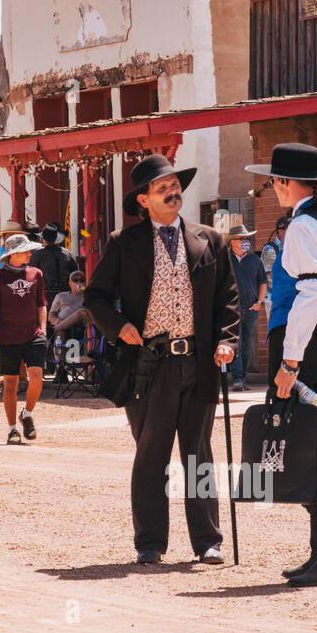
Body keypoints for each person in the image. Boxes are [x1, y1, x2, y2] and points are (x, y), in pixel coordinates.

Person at [85, 154, 237, 565]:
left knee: (198, 453)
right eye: (161, 188)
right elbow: (95, 298)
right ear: (143, 201)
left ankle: (208, 541)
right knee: (151, 453)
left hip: (199, 361)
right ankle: (150, 542)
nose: (173, 192)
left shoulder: (211, 239)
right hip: (149, 365)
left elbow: (229, 299)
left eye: (175, 185)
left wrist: (227, 341)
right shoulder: (123, 243)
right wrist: (118, 327)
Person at [246, 143, 317, 587]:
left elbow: (313, 295)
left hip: (301, 344)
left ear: (287, 183)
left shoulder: (302, 227)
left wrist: (290, 362)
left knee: (305, 444)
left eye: (274, 181)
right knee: (315, 445)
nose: (272, 188)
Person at [0, 233, 48, 445]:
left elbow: (42, 304)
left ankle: (27, 414)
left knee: (37, 376)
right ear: (13, 254)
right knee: (10, 382)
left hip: (33, 334)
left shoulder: (36, 274)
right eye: (25, 250)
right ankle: (12, 429)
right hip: (7, 335)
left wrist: (43, 328)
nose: (30, 253)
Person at [227, 224, 266, 391]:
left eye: (246, 239)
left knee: (247, 345)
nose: (245, 241)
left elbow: (262, 282)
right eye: (242, 239)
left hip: (251, 310)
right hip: (232, 310)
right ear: (232, 242)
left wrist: (260, 302)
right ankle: (237, 378)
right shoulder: (225, 260)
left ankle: (242, 378)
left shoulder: (254, 260)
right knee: (236, 343)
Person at [30, 222, 77, 308]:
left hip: (46, 297)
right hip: (66, 296)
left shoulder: (37, 255)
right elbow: (75, 276)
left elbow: (31, 277)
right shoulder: (68, 254)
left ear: (43, 239)